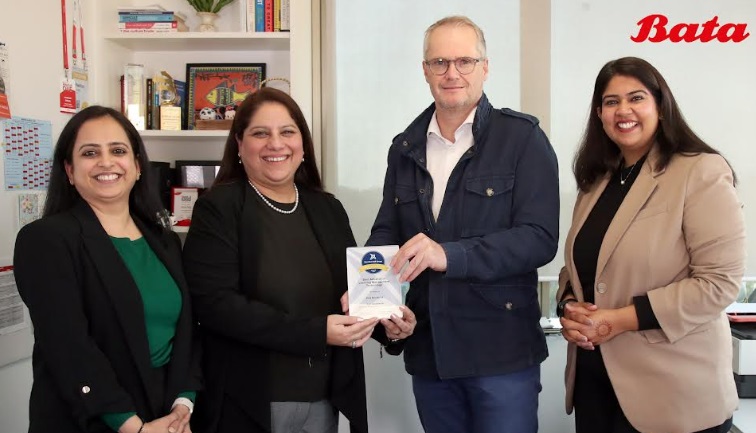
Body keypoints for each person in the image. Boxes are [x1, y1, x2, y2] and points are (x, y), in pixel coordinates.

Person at [366, 15, 559, 433]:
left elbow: (539, 239)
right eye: (439, 62)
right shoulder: (404, 147)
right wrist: (378, 304)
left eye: (464, 61)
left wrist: (448, 255)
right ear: (425, 70)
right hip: (430, 350)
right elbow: (386, 233)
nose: (451, 73)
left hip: (500, 353)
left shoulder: (522, 138)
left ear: (485, 67)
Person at [183, 87, 414, 433]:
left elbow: (353, 293)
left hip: (324, 398)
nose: (276, 144)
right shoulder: (218, 208)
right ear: (239, 145)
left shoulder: (327, 208)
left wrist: (389, 326)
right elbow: (216, 305)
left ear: (303, 145)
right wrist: (316, 333)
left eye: (287, 132)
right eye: (260, 133)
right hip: (248, 400)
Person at [556, 56, 744, 433]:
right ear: (599, 114)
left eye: (636, 98)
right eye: (611, 102)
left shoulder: (700, 171)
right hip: (596, 387)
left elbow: (719, 283)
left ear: (660, 105)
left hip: (673, 394)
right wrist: (569, 307)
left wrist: (619, 320)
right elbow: (578, 269)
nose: (623, 110)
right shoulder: (597, 181)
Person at [14, 106, 201, 433]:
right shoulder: (45, 240)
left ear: (137, 166)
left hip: (166, 413)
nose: (106, 162)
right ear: (69, 170)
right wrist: (133, 427)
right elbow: (68, 347)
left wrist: (183, 404)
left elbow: (187, 331)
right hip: (94, 417)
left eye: (118, 151)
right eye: (90, 153)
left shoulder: (165, 241)